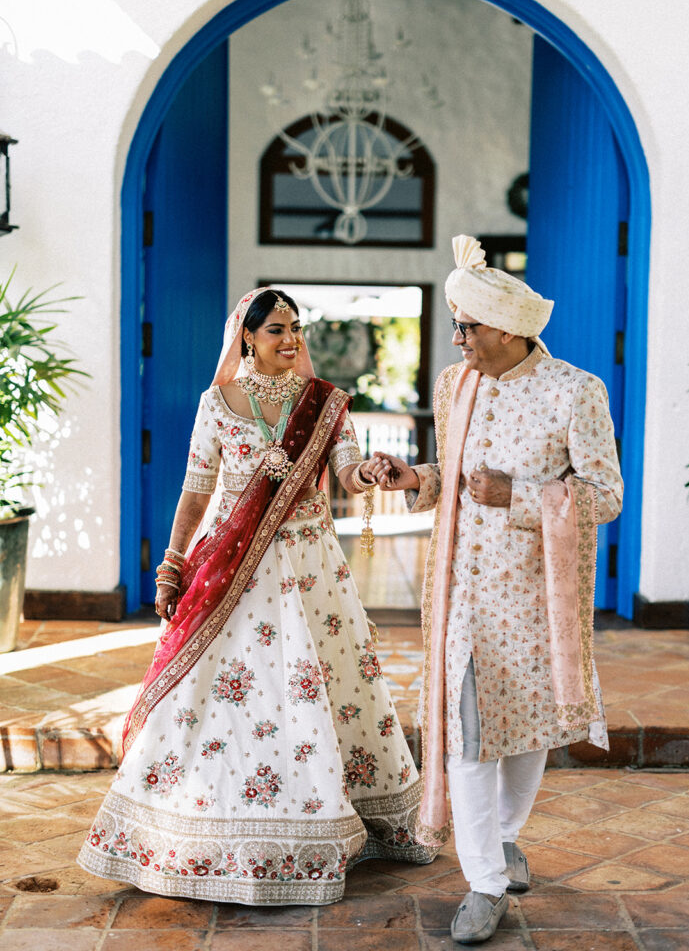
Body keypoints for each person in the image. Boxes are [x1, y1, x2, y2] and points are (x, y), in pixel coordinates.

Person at [77, 288, 435, 906]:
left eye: (295, 327)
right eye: (276, 329)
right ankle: (200, 830)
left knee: (318, 689)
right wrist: (172, 562)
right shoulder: (216, 404)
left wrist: (370, 474)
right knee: (226, 699)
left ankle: (331, 826)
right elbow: (195, 491)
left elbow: (345, 471)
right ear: (246, 336)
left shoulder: (326, 403)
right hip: (234, 573)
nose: (290, 338)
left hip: (311, 569)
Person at [368, 236, 623, 943]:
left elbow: (605, 496)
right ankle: (484, 878)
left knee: (525, 728)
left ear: (507, 330)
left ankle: (506, 837)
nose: (457, 340)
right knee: (469, 732)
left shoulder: (576, 391)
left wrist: (520, 495)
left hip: (536, 597)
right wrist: (413, 479)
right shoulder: (458, 387)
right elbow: (450, 472)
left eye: (468, 326)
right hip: (461, 596)